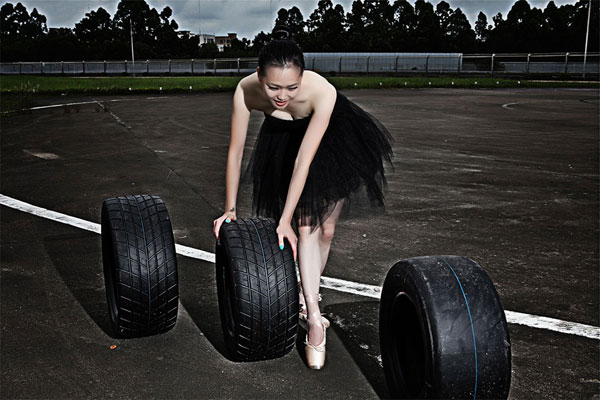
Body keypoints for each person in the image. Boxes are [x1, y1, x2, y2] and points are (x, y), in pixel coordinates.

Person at [212, 25, 394, 370]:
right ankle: (314, 318)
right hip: (283, 138)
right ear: (258, 76)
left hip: (331, 141)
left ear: (303, 77)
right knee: (307, 225)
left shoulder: (321, 92)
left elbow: (304, 161)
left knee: (325, 230)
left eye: (292, 87)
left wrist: (284, 220)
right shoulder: (246, 91)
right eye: (273, 87)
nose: (282, 96)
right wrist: (230, 210)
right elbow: (235, 151)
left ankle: (306, 294)